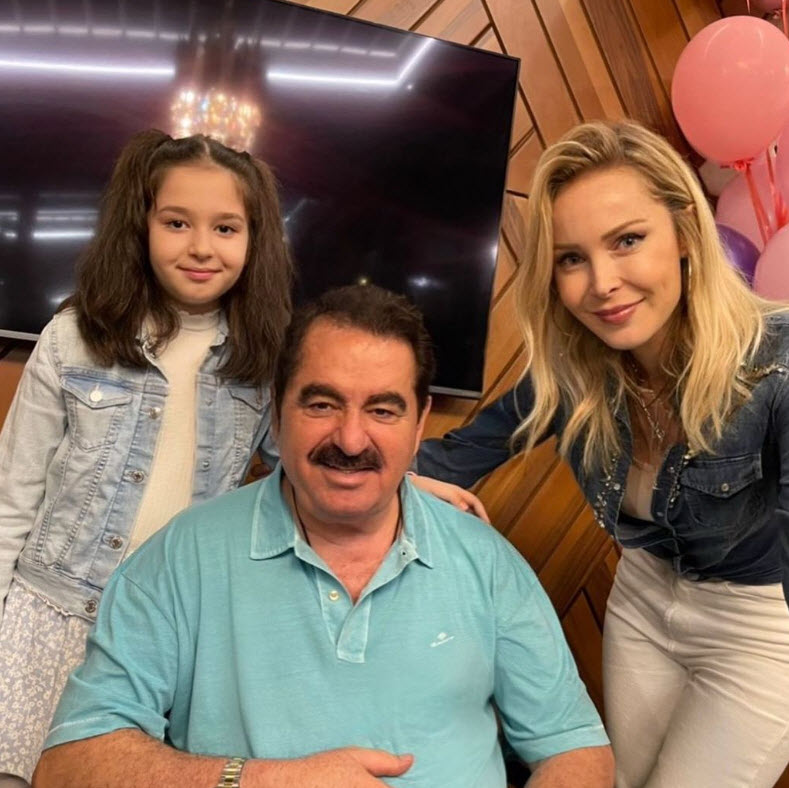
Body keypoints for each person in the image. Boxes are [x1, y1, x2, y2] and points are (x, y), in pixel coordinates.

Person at [33, 284, 614, 788]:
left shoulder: (488, 562)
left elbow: (575, 750)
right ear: (276, 411)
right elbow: (69, 766)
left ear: (419, 423)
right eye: (322, 403)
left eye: (383, 411)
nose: (351, 440)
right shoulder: (181, 558)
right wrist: (267, 780)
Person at [415, 119, 789, 787]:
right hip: (642, 598)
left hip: (757, 627)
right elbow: (444, 460)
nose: (602, 283)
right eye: (571, 258)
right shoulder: (573, 374)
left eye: (627, 241)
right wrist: (399, 483)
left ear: (683, 232)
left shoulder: (777, 366)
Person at [0, 130, 293, 787]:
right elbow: (9, 501)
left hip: (170, 634)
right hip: (49, 618)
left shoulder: (266, 360)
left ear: (255, 240)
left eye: (225, 227)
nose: (201, 247)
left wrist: (411, 491)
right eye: (176, 222)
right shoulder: (73, 337)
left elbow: (307, 470)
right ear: (141, 225)